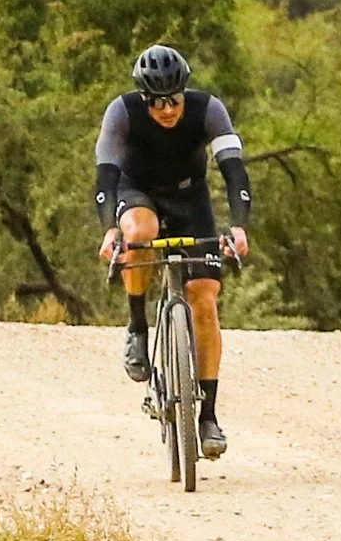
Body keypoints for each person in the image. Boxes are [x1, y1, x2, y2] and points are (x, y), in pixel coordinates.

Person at [95, 44, 251, 459]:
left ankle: (209, 417)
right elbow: (106, 176)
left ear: (186, 92)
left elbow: (233, 168)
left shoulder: (208, 110)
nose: (167, 110)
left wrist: (237, 225)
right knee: (140, 230)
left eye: (174, 100)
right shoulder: (122, 112)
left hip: (190, 200)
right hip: (137, 193)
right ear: (143, 99)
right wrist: (110, 229)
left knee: (204, 300)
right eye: (157, 102)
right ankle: (137, 328)